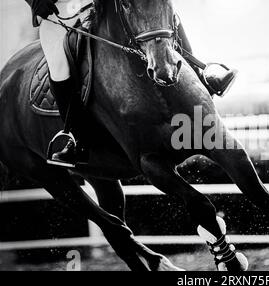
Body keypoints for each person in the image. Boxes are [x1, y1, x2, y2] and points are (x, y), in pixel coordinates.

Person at [25, 0, 238, 168]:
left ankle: (202, 75)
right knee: (58, 63)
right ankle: (75, 137)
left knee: (160, 12)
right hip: (60, 10)